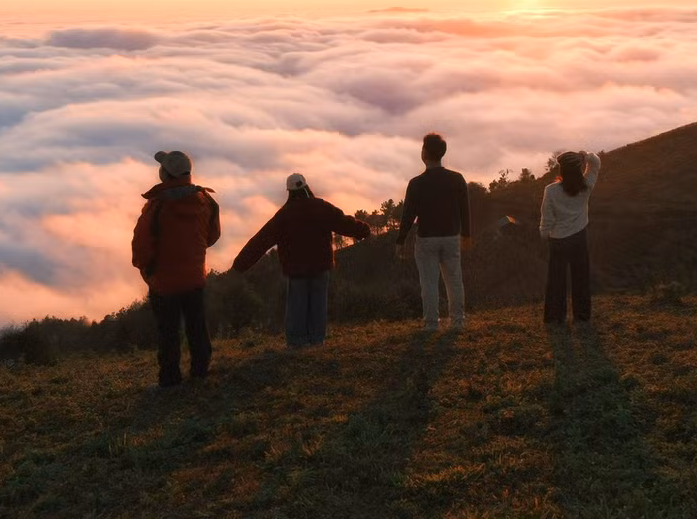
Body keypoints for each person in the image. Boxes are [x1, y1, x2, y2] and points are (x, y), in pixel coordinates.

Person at [233, 173, 371, 348]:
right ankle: (316, 340)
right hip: (320, 265)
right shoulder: (320, 207)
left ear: (289, 192)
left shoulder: (283, 215)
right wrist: (363, 230)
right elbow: (343, 222)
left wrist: (240, 264)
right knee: (318, 304)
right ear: (306, 187)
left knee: (297, 306)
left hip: (296, 269)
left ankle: (297, 342)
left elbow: (261, 241)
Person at [132, 150, 221, 388]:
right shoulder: (205, 200)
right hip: (194, 277)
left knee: (168, 331)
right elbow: (212, 236)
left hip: (164, 280)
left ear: (165, 174)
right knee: (197, 325)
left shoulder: (156, 205)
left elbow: (141, 245)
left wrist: (146, 270)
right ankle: (200, 369)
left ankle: (170, 378)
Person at [395, 133, 472, 330]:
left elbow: (408, 215)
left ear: (425, 154)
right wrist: (466, 234)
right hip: (451, 237)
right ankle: (457, 321)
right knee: (454, 280)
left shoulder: (416, 183)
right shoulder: (457, 179)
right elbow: (465, 209)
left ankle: (431, 323)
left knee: (428, 283)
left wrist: (401, 240)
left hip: (426, 239)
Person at [539, 150, 601, 324]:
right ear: (578, 168)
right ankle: (582, 316)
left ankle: (555, 317)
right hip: (580, 237)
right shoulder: (586, 185)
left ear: (562, 170)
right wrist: (585, 155)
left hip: (558, 240)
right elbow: (596, 164)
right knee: (581, 278)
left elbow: (547, 217)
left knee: (556, 280)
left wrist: (544, 234)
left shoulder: (550, 191)